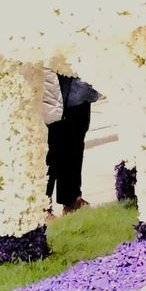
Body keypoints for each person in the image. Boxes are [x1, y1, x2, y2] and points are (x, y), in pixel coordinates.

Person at [43, 72, 101, 216]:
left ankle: (72, 200)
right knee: (51, 149)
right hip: (51, 86)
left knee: (75, 143)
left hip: (76, 88)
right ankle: (43, 207)